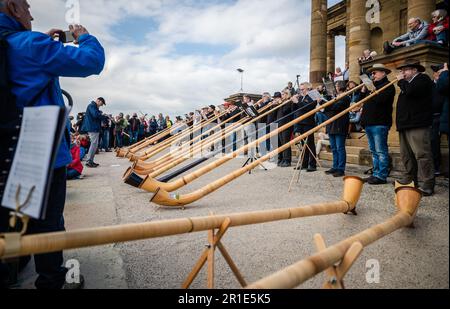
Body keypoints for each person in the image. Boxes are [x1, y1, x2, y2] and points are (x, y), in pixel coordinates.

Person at [0, 0, 104, 289]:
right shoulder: (29, 45)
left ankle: (10, 267)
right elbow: (91, 62)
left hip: (5, 152)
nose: (31, 13)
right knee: (47, 219)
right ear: (13, 7)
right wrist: (84, 37)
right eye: (27, 6)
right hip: (36, 148)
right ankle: (52, 279)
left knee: (12, 215)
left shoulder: (22, 44)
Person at [396, 59, 435, 196]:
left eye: (405, 70)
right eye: (401, 71)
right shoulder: (407, 84)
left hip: (418, 123)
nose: (402, 73)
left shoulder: (422, 79)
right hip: (405, 124)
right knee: (406, 155)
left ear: (414, 70)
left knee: (422, 154)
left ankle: (428, 183)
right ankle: (410, 179)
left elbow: (412, 92)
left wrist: (401, 82)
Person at [361, 64, 396, 185]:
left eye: (375, 73)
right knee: (374, 151)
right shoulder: (373, 87)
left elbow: (381, 100)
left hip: (380, 122)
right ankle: (375, 173)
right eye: (372, 73)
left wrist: (372, 90)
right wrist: (364, 90)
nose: (373, 75)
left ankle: (381, 175)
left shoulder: (388, 86)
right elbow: (365, 102)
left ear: (383, 73)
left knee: (381, 151)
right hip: (369, 122)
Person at [324, 81, 351, 177]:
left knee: (340, 148)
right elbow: (327, 110)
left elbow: (336, 107)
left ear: (341, 87)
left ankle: (341, 168)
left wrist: (327, 105)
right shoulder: (334, 97)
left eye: (336, 85)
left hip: (340, 124)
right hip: (332, 124)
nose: (335, 87)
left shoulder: (345, 97)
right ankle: (335, 166)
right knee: (334, 148)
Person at [293, 82, 317, 172]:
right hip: (300, 122)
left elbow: (308, 107)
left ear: (308, 89)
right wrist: (294, 102)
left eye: (303, 89)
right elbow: (297, 110)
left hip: (308, 123)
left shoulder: (311, 96)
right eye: (300, 89)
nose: (301, 91)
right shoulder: (302, 97)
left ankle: (312, 164)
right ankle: (304, 163)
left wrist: (298, 102)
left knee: (310, 144)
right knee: (303, 145)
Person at [81, 97, 106, 168]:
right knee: (93, 144)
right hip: (92, 127)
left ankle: (91, 161)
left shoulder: (94, 107)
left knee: (94, 145)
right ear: (98, 100)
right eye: (101, 103)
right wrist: (103, 116)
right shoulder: (92, 106)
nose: (101, 105)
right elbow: (95, 115)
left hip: (94, 127)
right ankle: (89, 161)